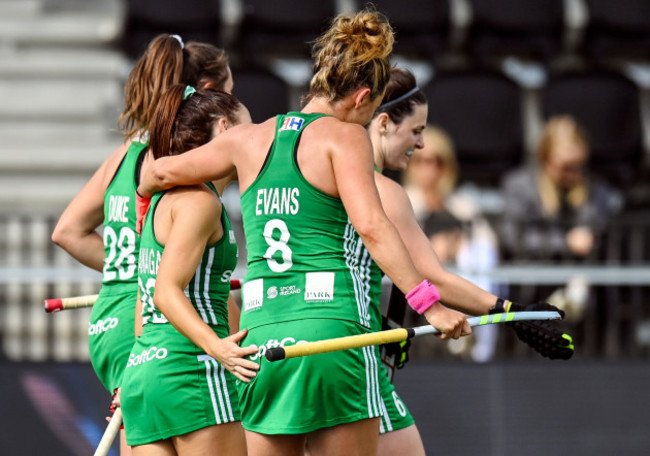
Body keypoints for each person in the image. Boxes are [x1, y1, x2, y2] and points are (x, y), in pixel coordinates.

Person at [137, 9, 471, 456]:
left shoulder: (248, 139)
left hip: (263, 342)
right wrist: (429, 305)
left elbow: (156, 175)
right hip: (335, 334)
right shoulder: (345, 138)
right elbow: (372, 226)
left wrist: (146, 196)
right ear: (363, 97)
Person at [365, 67, 573, 456]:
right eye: (415, 131)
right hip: (347, 361)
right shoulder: (382, 191)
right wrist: (513, 314)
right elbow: (432, 278)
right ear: (382, 124)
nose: (423, 143)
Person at [50, 34, 235, 454]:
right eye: (230, 93)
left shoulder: (126, 151)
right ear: (208, 95)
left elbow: (68, 231)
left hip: (106, 320)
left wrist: (123, 266)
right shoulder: (167, 159)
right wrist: (154, 269)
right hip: (145, 316)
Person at [120, 85, 258, 455]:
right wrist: (217, 347)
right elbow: (165, 291)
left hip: (145, 373)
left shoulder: (162, 202)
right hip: (192, 370)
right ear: (225, 128)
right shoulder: (201, 203)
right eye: (250, 128)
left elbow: (143, 305)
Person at [403, 125, 501, 362]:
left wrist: (458, 242)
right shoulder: (402, 200)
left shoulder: (462, 204)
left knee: (480, 253)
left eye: (438, 161)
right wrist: (429, 251)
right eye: (422, 160)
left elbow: (489, 245)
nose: (430, 168)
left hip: (460, 276)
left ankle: (478, 336)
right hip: (414, 286)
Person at [499, 115, 623, 261]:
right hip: (534, 273)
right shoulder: (519, 185)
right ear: (545, 159)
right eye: (566, 168)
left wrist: (589, 233)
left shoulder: (593, 187)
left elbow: (604, 219)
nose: (573, 174)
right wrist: (564, 242)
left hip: (581, 275)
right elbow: (511, 236)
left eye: (578, 166)